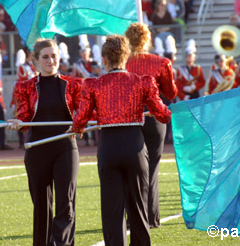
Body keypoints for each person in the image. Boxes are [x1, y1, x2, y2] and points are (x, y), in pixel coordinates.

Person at [71, 35, 171, 244]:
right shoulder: (142, 81)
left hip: (109, 147)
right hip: (134, 145)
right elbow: (163, 115)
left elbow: (81, 118)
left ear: (104, 59)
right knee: (138, 206)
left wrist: (77, 128)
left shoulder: (94, 85)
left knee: (112, 210)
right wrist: (157, 111)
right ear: (127, 57)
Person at [9, 39, 83, 246]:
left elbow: (84, 113)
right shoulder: (24, 86)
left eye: (54, 56)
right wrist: (18, 123)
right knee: (41, 205)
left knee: (66, 204)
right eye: (46, 57)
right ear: (36, 61)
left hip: (66, 147)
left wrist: (80, 124)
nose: (51, 60)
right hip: (37, 149)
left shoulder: (74, 84)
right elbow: (24, 117)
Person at [125, 22, 177, 228]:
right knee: (152, 168)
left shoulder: (122, 62)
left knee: (132, 169)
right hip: (154, 119)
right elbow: (171, 93)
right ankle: (151, 217)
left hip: (129, 119)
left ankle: (134, 218)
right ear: (147, 40)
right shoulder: (161, 62)